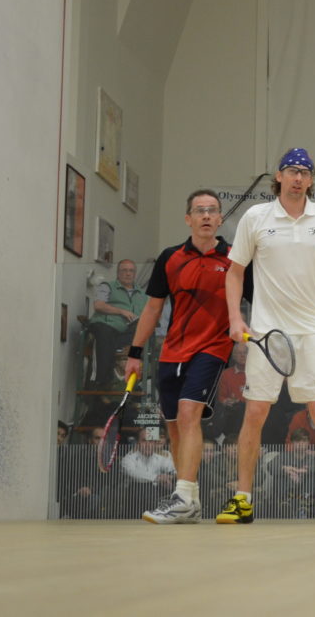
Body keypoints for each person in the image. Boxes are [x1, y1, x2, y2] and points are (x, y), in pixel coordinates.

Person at [217, 147, 315, 524]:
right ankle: (242, 497)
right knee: (256, 411)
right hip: (266, 332)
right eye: (291, 171)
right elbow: (234, 272)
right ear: (278, 176)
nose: (298, 178)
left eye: (305, 173)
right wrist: (235, 318)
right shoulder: (256, 217)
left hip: (312, 331)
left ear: (311, 181)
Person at [121, 189, 235, 524]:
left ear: (220, 219)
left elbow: (257, 299)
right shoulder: (170, 258)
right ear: (188, 218)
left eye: (212, 210)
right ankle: (191, 501)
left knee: (189, 415)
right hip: (172, 351)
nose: (206, 216)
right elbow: (153, 308)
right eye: (199, 210)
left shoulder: (235, 258)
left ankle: (181, 498)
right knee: (173, 427)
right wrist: (135, 353)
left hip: (213, 348)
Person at [88, 259, 148, 389]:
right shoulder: (107, 286)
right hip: (106, 325)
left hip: (128, 331)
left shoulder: (143, 295)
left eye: (131, 271)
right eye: (124, 270)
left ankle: (137, 383)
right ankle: (102, 380)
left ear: (135, 273)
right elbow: (98, 305)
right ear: (118, 273)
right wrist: (121, 311)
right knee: (105, 333)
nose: (128, 273)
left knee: (144, 331)